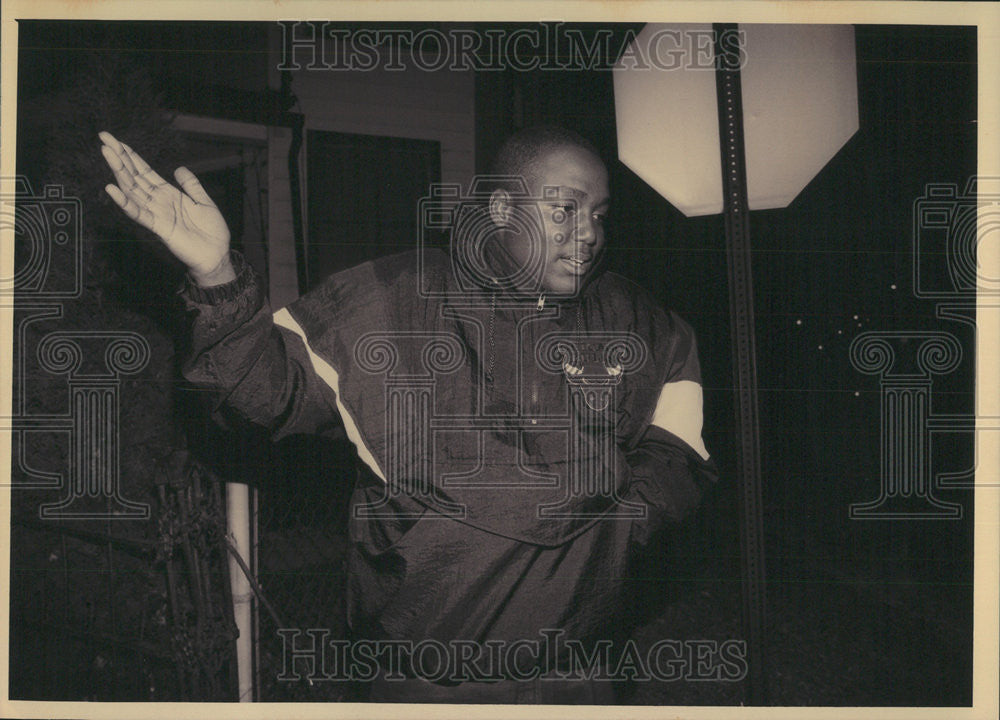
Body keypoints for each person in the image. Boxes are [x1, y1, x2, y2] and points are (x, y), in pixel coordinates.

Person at [99, 125, 718, 704]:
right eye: (564, 210)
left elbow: (680, 450)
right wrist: (216, 275)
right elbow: (261, 392)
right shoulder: (394, 302)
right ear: (502, 210)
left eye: (599, 215)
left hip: (578, 680)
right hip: (422, 686)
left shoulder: (634, 320)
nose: (588, 233)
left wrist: (613, 532)